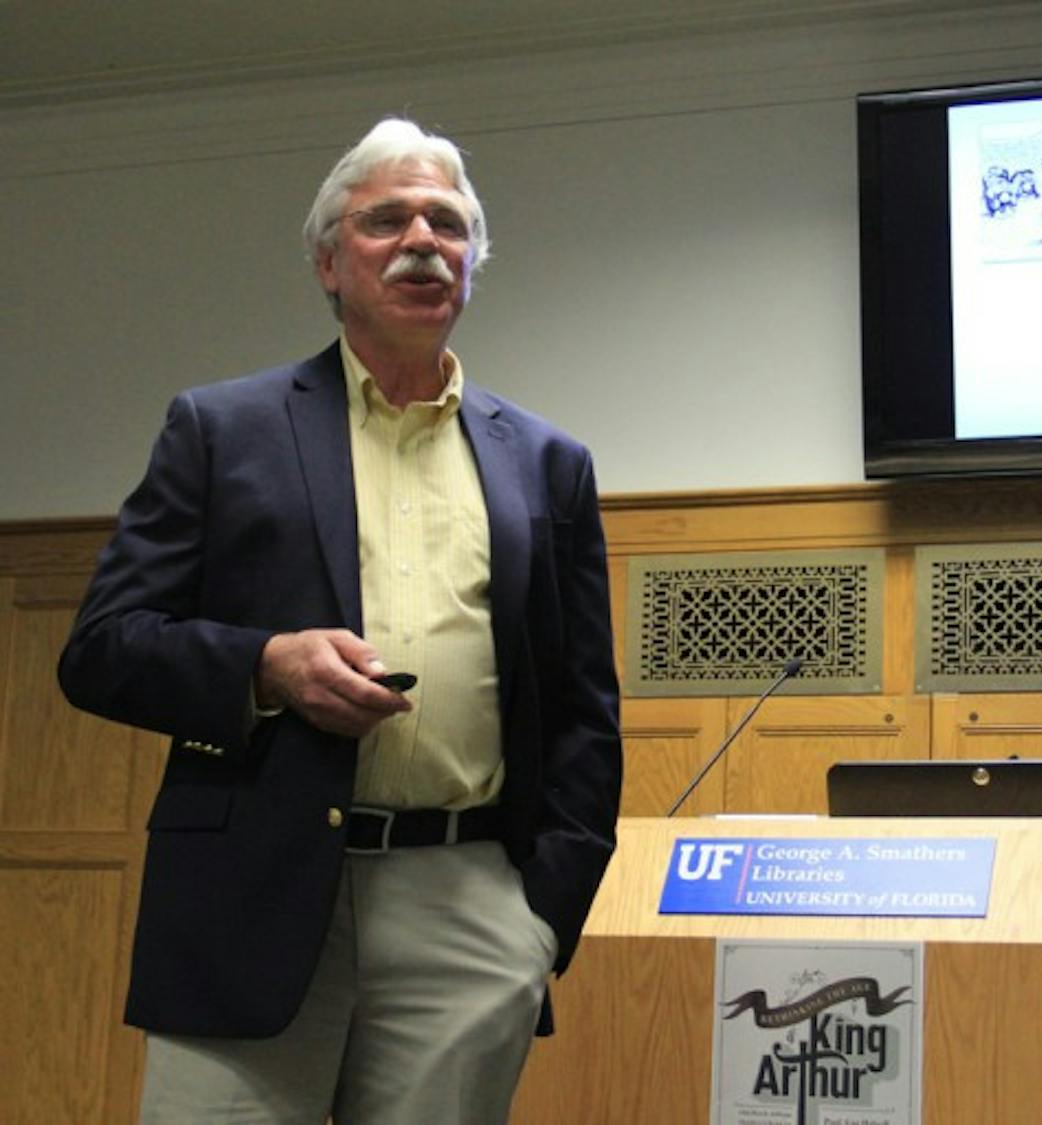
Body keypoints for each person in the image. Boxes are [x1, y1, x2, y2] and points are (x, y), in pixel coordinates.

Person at [56, 118, 622, 1123]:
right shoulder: (220, 429)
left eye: (448, 223)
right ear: (328, 261)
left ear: (473, 261)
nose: (421, 239)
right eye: (386, 219)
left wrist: (539, 918)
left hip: (470, 904)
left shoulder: (548, 464)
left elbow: (584, 709)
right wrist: (264, 667)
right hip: (249, 892)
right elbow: (101, 650)